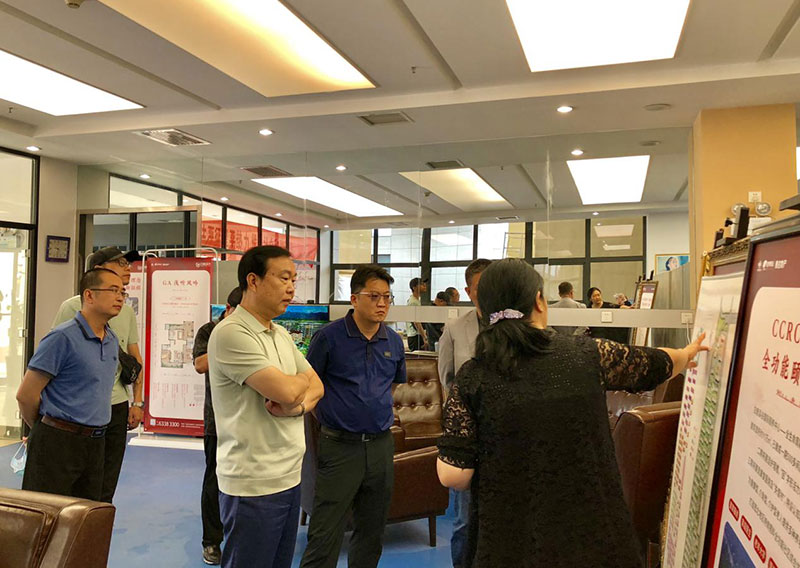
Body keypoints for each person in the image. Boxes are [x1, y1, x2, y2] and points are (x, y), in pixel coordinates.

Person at [436, 259, 707, 567]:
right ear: (539, 301)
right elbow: (655, 365)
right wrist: (687, 353)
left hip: (509, 538)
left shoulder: (473, 376)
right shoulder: (586, 354)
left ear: (483, 310)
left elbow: (452, 474)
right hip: (591, 534)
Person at [208, 246, 324, 568]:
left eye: (294, 280)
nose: (291, 287)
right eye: (283, 278)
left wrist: (296, 407)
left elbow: (318, 386)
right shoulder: (231, 333)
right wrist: (297, 384)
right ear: (253, 281)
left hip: (289, 476)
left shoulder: (280, 334)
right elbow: (288, 390)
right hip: (252, 483)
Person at [300, 265, 406, 568]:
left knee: (372, 530)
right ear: (354, 298)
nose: (382, 303)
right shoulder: (328, 337)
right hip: (340, 447)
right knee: (325, 531)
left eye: (387, 297)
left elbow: (393, 385)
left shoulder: (393, 341)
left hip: (381, 446)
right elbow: (309, 385)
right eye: (374, 296)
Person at [16, 268, 124, 500]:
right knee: (48, 513)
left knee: (85, 514)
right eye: (113, 290)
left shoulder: (112, 340)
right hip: (57, 441)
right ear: (89, 295)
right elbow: (26, 395)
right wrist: (44, 428)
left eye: (122, 292)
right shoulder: (62, 338)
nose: (120, 298)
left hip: (96, 443)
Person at [51, 245, 144, 504]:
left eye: (128, 264)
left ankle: (97, 524)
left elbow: (135, 358)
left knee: (106, 481)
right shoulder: (71, 308)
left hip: (116, 407)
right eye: (121, 263)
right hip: (79, 410)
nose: (128, 269)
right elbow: (52, 361)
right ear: (98, 270)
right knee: (73, 485)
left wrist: (137, 402)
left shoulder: (126, 310)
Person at [437, 258, 491, 568]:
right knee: (464, 520)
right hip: (468, 436)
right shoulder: (456, 327)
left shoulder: (516, 327)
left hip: (505, 435)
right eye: (482, 286)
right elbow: (447, 377)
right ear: (469, 291)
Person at [193, 287, 243, 566]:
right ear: (227, 309)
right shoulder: (209, 331)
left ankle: (239, 533)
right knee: (214, 480)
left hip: (247, 420)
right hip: (217, 420)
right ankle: (211, 541)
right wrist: (227, 344)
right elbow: (200, 364)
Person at [406, 277, 428, 350]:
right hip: (415, 336)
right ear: (414, 287)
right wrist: (424, 337)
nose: (424, 285)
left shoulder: (416, 300)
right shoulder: (413, 302)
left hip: (417, 335)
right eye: (421, 284)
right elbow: (416, 322)